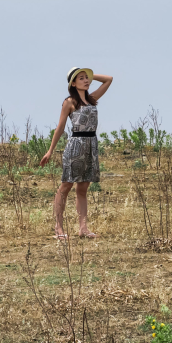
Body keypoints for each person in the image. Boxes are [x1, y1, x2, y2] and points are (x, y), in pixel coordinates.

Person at [40, 67, 111, 239]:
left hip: (91, 145)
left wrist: (88, 72)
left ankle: (83, 229)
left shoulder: (92, 99)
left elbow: (109, 79)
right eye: (81, 78)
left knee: (83, 188)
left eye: (87, 78)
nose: (86, 81)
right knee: (66, 186)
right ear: (73, 83)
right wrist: (50, 150)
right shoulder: (69, 102)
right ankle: (58, 228)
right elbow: (60, 127)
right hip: (76, 145)